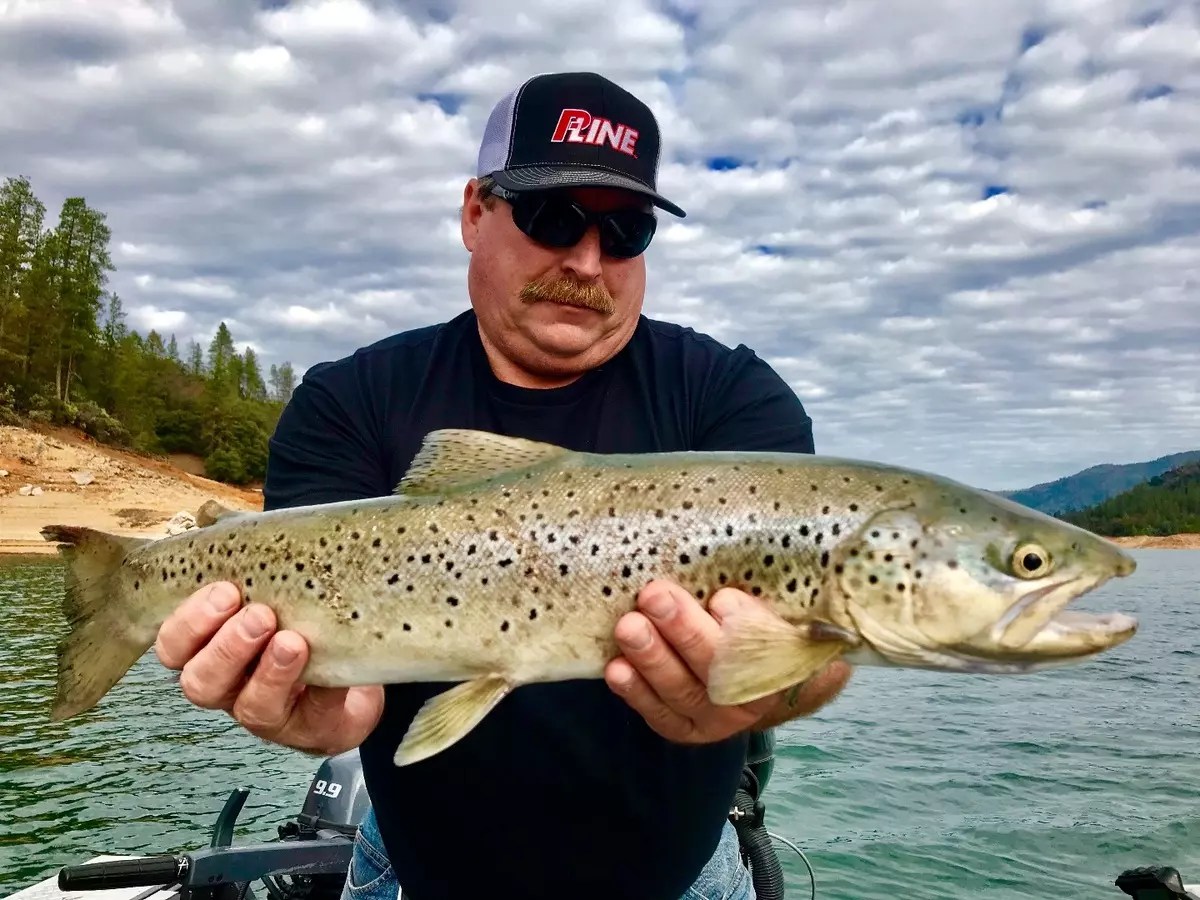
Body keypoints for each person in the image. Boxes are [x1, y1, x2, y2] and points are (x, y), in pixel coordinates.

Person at [153, 71, 852, 900]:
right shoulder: (350, 402)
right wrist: (316, 711)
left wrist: (774, 688)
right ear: (474, 212)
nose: (586, 260)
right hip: (409, 874)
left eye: (624, 230)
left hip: (687, 878)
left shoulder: (732, 398)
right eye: (552, 216)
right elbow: (324, 665)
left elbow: (818, 641)